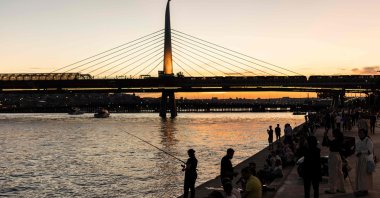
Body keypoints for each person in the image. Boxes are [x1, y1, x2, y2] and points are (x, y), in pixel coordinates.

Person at [322, 128, 345, 194]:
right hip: (338, 156)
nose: (332, 134)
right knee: (340, 174)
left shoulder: (335, 141)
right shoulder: (339, 140)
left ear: (335, 134)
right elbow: (328, 143)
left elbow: (326, 143)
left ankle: (332, 189)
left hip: (333, 156)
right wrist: (325, 136)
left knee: (332, 173)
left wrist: (325, 135)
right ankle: (341, 188)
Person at [354, 129, 374, 196]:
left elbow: (370, 151)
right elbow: (356, 149)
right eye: (359, 133)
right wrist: (356, 153)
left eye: (361, 133)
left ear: (365, 134)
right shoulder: (358, 141)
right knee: (359, 175)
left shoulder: (368, 141)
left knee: (364, 175)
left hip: (366, 160)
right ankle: (360, 189)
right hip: (359, 160)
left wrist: (361, 152)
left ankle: (365, 190)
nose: (360, 134)